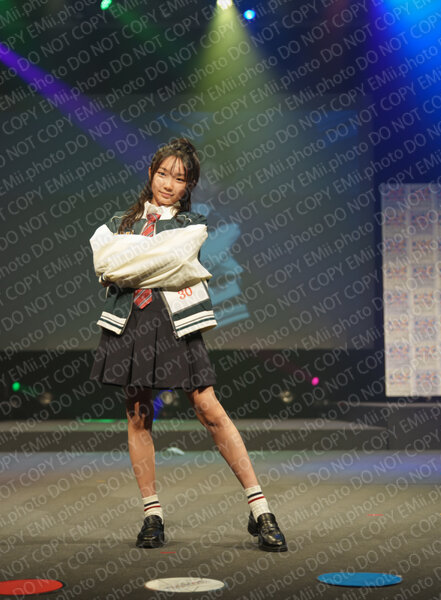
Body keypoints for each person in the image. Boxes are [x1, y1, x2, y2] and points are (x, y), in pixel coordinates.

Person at [88, 138, 288, 552]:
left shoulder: (193, 225)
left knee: (209, 408)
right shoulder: (116, 224)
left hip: (176, 320)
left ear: (189, 185)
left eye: (179, 178)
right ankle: (152, 515)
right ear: (150, 174)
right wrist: (144, 260)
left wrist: (128, 262)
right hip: (131, 321)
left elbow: (173, 261)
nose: (168, 184)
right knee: (138, 414)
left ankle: (260, 510)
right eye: (163, 174)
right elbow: (104, 264)